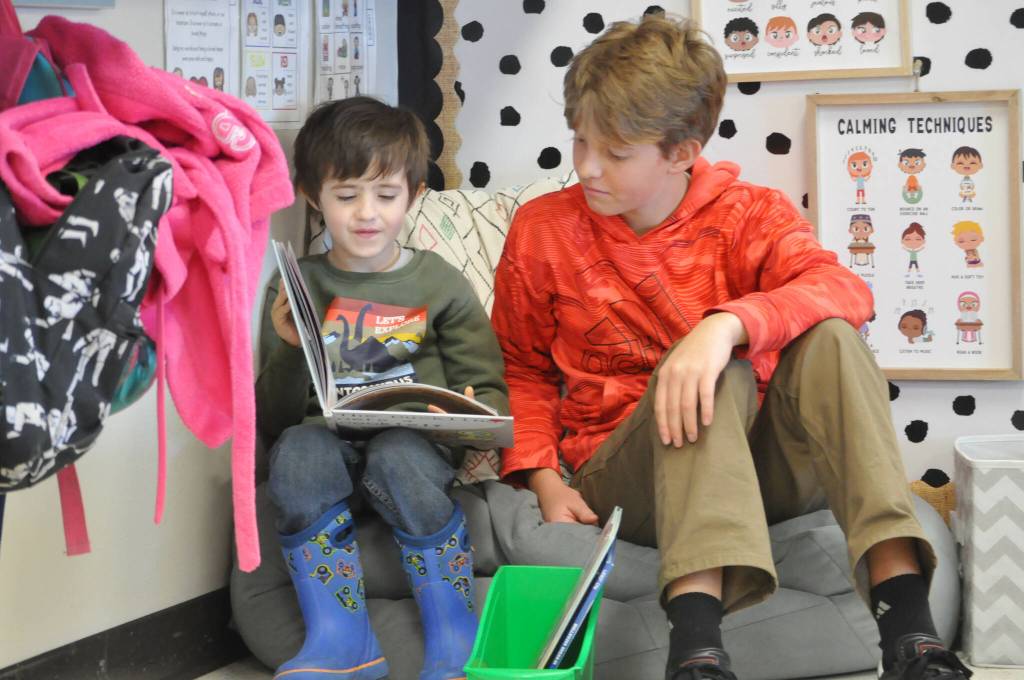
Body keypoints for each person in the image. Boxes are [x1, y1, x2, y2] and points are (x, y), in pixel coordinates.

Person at [490, 15, 972, 680]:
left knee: (825, 335)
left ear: (683, 151)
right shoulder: (544, 230)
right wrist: (542, 478)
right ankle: (697, 650)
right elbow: (520, 366)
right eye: (579, 141)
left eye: (616, 152)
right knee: (721, 379)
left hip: (762, 471)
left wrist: (723, 326)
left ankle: (910, 632)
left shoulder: (750, 213)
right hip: (629, 474)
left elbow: (844, 289)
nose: (587, 167)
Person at [258, 97, 509, 680]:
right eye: (346, 196)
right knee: (295, 451)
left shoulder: (439, 283)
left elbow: (488, 390)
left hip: (413, 450)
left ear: (414, 195)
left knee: (397, 451)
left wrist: (471, 415)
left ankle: (454, 631)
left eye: (385, 195)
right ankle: (342, 640)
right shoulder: (299, 283)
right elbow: (272, 418)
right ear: (313, 197)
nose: (366, 213)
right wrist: (292, 350)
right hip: (328, 447)